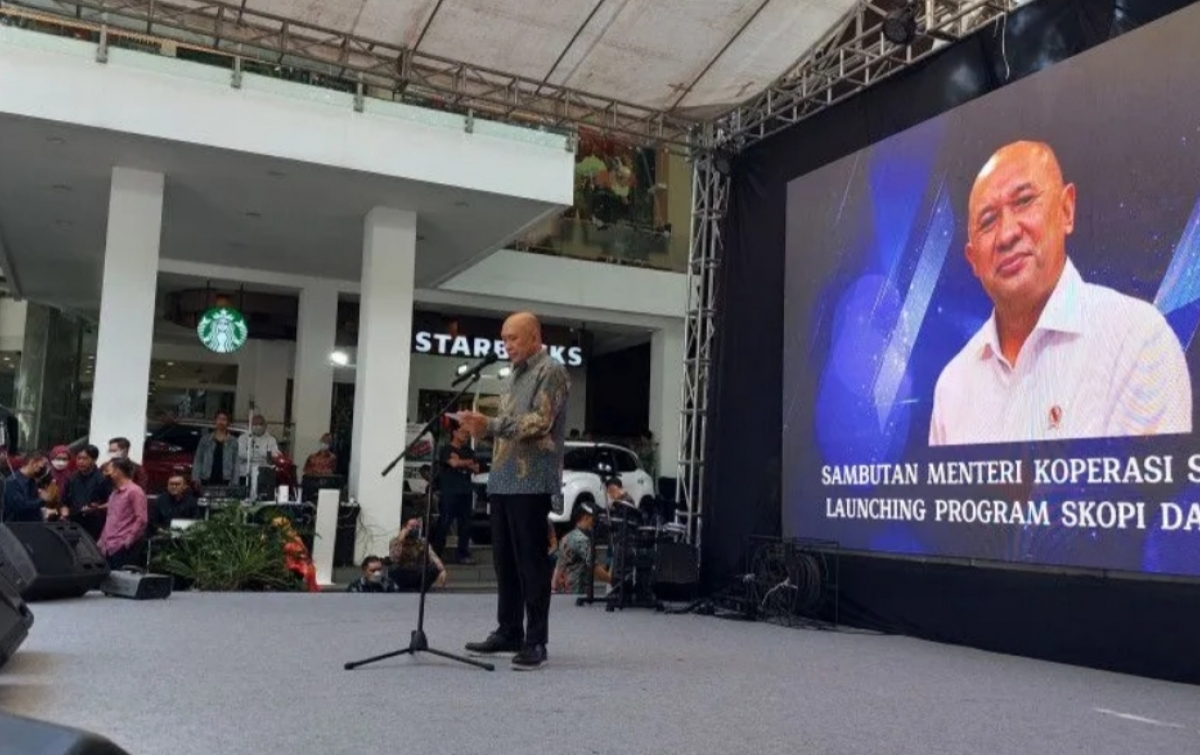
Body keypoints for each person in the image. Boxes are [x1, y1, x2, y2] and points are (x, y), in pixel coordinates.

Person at [930, 141, 1192, 446]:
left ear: (1066, 209)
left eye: (1024, 201)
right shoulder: (953, 386)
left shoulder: (1136, 339)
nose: (1007, 234)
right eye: (988, 221)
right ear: (973, 259)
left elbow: (1157, 491)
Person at [457, 311, 569, 670]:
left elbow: (540, 421)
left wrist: (489, 424)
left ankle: (536, 640)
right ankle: (509, 630)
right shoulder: (514, 375)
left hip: (531, 478)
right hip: (503, 478)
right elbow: (508, 427)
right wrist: (482, 430)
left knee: (531, 562)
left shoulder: (549, 370)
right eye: (504, 339)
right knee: (504, 560)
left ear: (534, 337)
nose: (507, 345)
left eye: (513, 338)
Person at [432, 419, 478, 565]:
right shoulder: (446, 449)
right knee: (444, 522)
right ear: (455, 432)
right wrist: (466, 462)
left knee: (465, 524)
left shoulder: (469, 451)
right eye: (463, 432)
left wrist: (462, 462)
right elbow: (453, 463)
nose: (466, 435)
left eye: (467, 433)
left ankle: (463, 554)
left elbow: (477, 468)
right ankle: (436, 554)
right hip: (450, 492)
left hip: (466, 491)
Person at [97, 458, 149, 570]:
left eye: (109, 470)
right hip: (108, 546)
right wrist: (102, 540)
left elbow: (141, 519)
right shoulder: (114, 493)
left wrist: (129, 540)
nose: (106, 473)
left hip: (123, 545)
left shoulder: (135, 491)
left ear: (118, 471)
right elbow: (111, 518)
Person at [552, 501, 610, 595]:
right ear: (586, 518)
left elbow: (559, 564)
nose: (595, 523)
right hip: (578, 593)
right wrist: (611, 580)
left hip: (565, 593)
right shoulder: (582, 540)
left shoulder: (567, 537)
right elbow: (594, 567)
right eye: (594, 520)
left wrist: (553, 587)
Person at [386, 518, 447, 591]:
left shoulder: (422, 542)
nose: (414, 529)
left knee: (434, 568)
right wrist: (400, 541)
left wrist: (442, 570)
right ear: (404, 528)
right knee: (392, 569)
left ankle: (420, 589)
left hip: (418, 572)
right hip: (404, 571)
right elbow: (395, 558)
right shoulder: (395, 541)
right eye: (412, 526)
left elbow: (433, 557)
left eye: (417, 527)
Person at [1, 452, 50, 523]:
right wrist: (41, 500)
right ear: (33, 462)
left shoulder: (32, 481)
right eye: (42, 465)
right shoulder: (12, 482)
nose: (43, 469)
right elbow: (20, 507)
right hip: (15, 527)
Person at [193, 411, 239, 487]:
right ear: (215, 421)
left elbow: (236, 463)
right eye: (219, 419)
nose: (221, 422)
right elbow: (198, 460)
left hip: (226, 480)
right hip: (206, 478)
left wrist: (234, 482)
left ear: (228, 422)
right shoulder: (205, 439)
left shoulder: (233, 441)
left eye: (224, 419)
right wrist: (195, 478)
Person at [238, 415, 280, 492]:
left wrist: (253, 451)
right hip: (245, 474)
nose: (257, 427)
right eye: (255, 424)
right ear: (250, 425)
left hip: (264, 476)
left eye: (260, 424)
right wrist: (264, 454)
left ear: (265, 426)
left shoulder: (271, 440)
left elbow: (275, 455)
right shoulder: (243, 438)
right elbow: (241, 454)